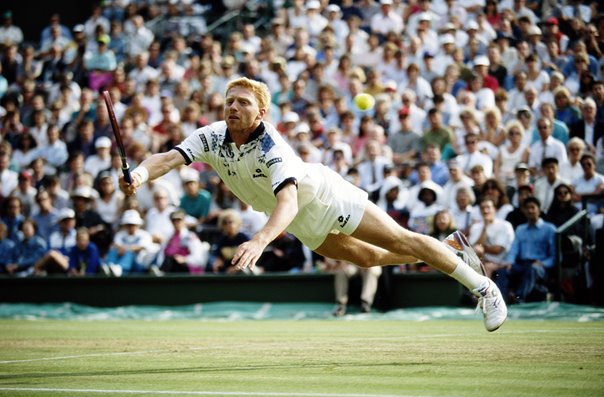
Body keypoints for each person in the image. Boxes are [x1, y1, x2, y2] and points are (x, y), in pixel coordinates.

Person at [120, 77, 507, 331]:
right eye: (228, 101)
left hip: (322, 197)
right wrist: (138, 175)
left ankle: (484, 287)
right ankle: (450, 249)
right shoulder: (211, 136)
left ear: (261, 112)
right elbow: (169, 158)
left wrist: (259, 241)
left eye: (242, 102)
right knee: (369, 259)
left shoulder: (272, 146)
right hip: (301, 221)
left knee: (401, 241)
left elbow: (286, 201)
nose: (232, 107)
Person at [500, 197, 556, 303]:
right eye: (527, 208)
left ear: (539, 210)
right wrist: (510, 262)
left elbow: (554, 256)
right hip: (522, 264)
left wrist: (543, 263)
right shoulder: (520, 229)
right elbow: (514, 249)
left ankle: (518, 298)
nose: (530, 210)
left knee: (533, 269)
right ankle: (501, 300)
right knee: (503, 270)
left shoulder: (550, 229)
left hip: (540, 266)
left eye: (532, 207)